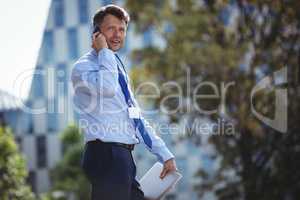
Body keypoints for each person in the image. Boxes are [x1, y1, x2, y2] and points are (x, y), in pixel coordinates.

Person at [71, 4, 177, 200]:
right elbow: (108, 89)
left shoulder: (116, 66)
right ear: (97, 32)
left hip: (123, 158)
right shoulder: (83, 67)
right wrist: (104, 52)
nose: (117, 34)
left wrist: (165, 154)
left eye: (122, 29)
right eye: (111, 28)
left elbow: (135, 116)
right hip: (105, 154)